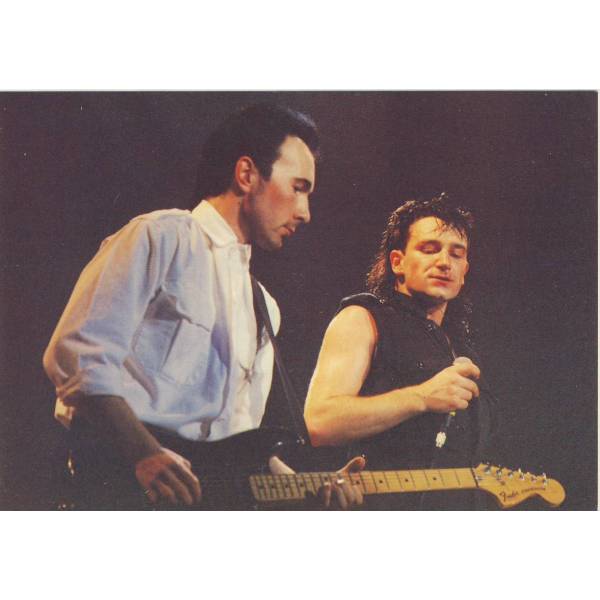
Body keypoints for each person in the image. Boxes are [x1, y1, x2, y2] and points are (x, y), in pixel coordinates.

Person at [43, 103, 363, 510]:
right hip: (121, 493)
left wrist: (310, 489)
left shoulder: (265, 306)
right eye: (298, 187)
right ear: (246, 175)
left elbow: (240, 445)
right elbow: (77, 357)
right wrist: (143, 453)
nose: (305, 213)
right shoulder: (162, 237)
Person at [304, 194, 496, 509]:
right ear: (398, 262)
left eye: (456, 254)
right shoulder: (362, 318)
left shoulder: (461, 348)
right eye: (429, 249)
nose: (444, 262)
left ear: (464, 271)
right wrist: (421, 397)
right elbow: (320, 421)